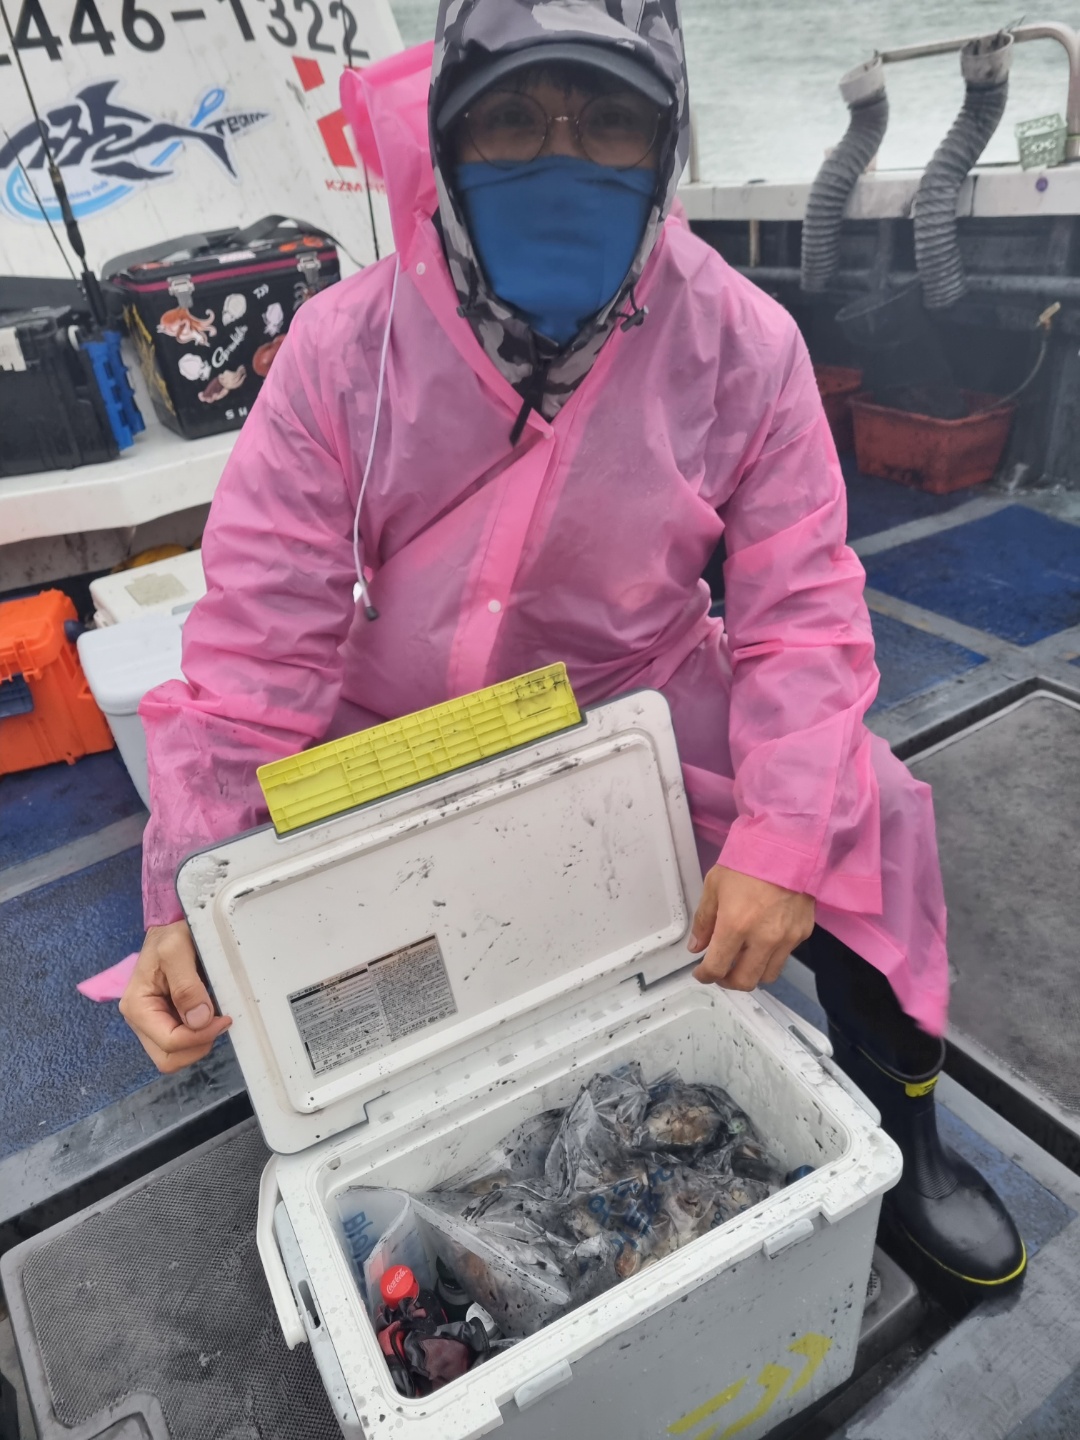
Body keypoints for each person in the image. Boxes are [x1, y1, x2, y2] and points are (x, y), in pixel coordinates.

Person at [120, 0, 1024, 1292]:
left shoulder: (747, 345)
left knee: (867, 811)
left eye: (608, 120)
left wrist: (781, 845)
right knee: (276, 947)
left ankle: (908, 1135)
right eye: (511, 117)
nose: (562, 153)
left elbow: (804, 614)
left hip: (628, 696)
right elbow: (259, 640)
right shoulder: (339, 350)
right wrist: (185, 889)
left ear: (666, 146)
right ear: (450, 138)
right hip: (392, 731)